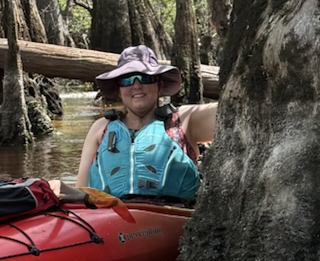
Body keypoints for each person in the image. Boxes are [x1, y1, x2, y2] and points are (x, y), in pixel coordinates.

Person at [74, 44, 217, 201]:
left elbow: (235, 109)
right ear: (118, 89)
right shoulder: (101, 128)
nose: (136, 85)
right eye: (127, 80)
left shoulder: (185, 120)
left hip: (170, 218)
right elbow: (82, 191)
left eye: (145, 78)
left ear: (159, 85)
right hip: (110, 218)